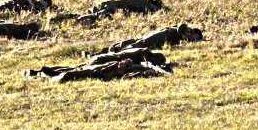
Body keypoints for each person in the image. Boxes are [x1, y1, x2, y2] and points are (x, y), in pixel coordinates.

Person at [23, 47, 172, 83]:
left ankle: (41, 73)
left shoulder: (136, 54)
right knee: (78, 71)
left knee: (77, 68)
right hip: (104, 63)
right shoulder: (143, 53)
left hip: (103, 59)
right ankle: (46, 74)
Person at [84, 23, 203, 57]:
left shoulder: (184, 35)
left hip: (161, 37)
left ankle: (98, 54)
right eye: (196, 37)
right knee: (136, 45)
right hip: (163, 36)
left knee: (131, 42)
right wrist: (180, 37)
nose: (194, 40)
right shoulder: (186, 30)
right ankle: (100, 54)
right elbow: (181, 26)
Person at [76, 0, 163, 24]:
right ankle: (79, 20)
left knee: (93, 12)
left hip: (108, 1)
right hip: (115, 7)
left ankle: (74, 17)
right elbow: (155, 9)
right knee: (97, 16)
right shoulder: (147, 4)